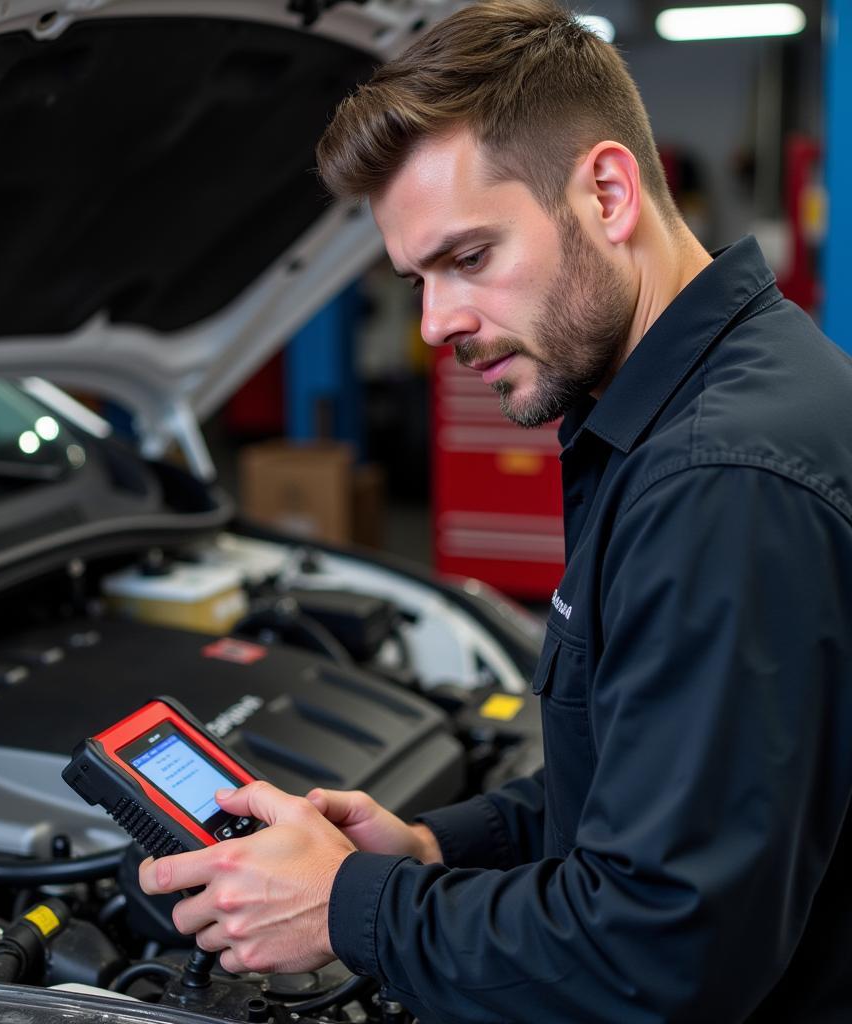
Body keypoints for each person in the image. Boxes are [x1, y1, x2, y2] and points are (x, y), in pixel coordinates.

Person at [140, 2, 852, 1019]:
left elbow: (660, 953)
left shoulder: (717, 479)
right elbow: (647, 781)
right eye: (416, 278)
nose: (437, 325)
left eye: (467, 258)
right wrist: (434, 848)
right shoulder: (706, 396)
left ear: (606, 191)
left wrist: (352, 909)